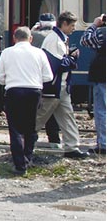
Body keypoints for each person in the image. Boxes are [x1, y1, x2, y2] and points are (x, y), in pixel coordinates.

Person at [0, 27, 54, 175]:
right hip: (34, 91)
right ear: (31, 38)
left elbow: (0, 78)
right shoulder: (39, 53)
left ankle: (20, 165)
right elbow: (49, 77)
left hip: (14, 91)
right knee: (30, 127)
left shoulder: (7, 53)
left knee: (15, 129)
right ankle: (28, 157)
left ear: (14, 38)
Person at [37, 11, 89, 159]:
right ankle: (24, 140)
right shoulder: (54, 40)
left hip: (60, 86)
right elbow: (59, 64)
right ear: (64, 24)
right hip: (56, 86)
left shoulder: (57, 39)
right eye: (72, 25)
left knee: (67, 116)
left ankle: (72, 146)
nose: (74, 28)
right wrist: (72, 58)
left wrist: (69, 58)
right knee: (41, 116)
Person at [31, 13, 62, 143]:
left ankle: (33, 136)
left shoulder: (35, 36)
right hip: (53, 78)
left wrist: (32, 30)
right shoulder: (58, 37)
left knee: (37, 108)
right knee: (51, 109)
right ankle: (54, 137)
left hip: (37, 77)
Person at [81, 13, 105, 155]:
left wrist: (95, 25)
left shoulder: (102, 34)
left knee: (102, 110)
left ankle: (103, 143)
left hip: (102, 75)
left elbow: (85, 40)